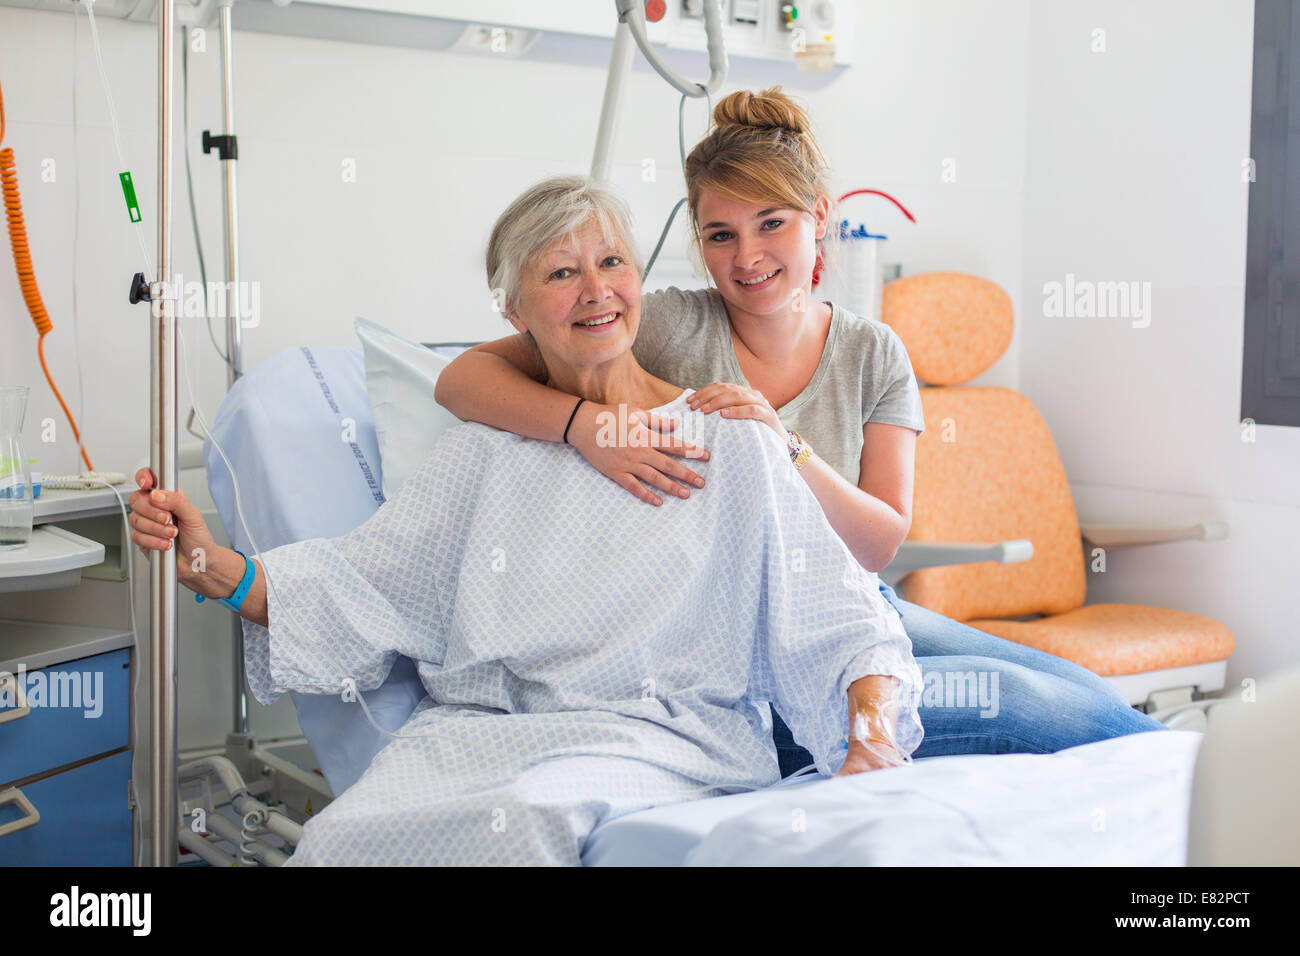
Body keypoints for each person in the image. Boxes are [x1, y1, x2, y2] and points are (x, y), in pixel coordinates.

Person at [128, 176, 924, 865]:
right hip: (471, 744)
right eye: (561, 272)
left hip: (661, 744)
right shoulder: (486, 455)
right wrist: (204, 563)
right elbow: (354, 588)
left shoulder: (732, 445)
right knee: (341, 841)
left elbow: (845, 623)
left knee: (532, 820)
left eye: (612, 262)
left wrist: (872, 739)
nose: (596, 289)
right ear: (513, 310)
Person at [434, 88, 1164, 775]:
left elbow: (878, 542)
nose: (747, 257)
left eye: (771, 224)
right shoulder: (664, 325)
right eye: (721, 234)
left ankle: (1227, 800)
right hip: (756, 640)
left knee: (1077, 684)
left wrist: (782, 443)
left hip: (856, 607)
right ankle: (1205, 788)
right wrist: (587, 426)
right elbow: (458, 378)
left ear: (819, 215)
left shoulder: (873, 354)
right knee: (1022, 703)